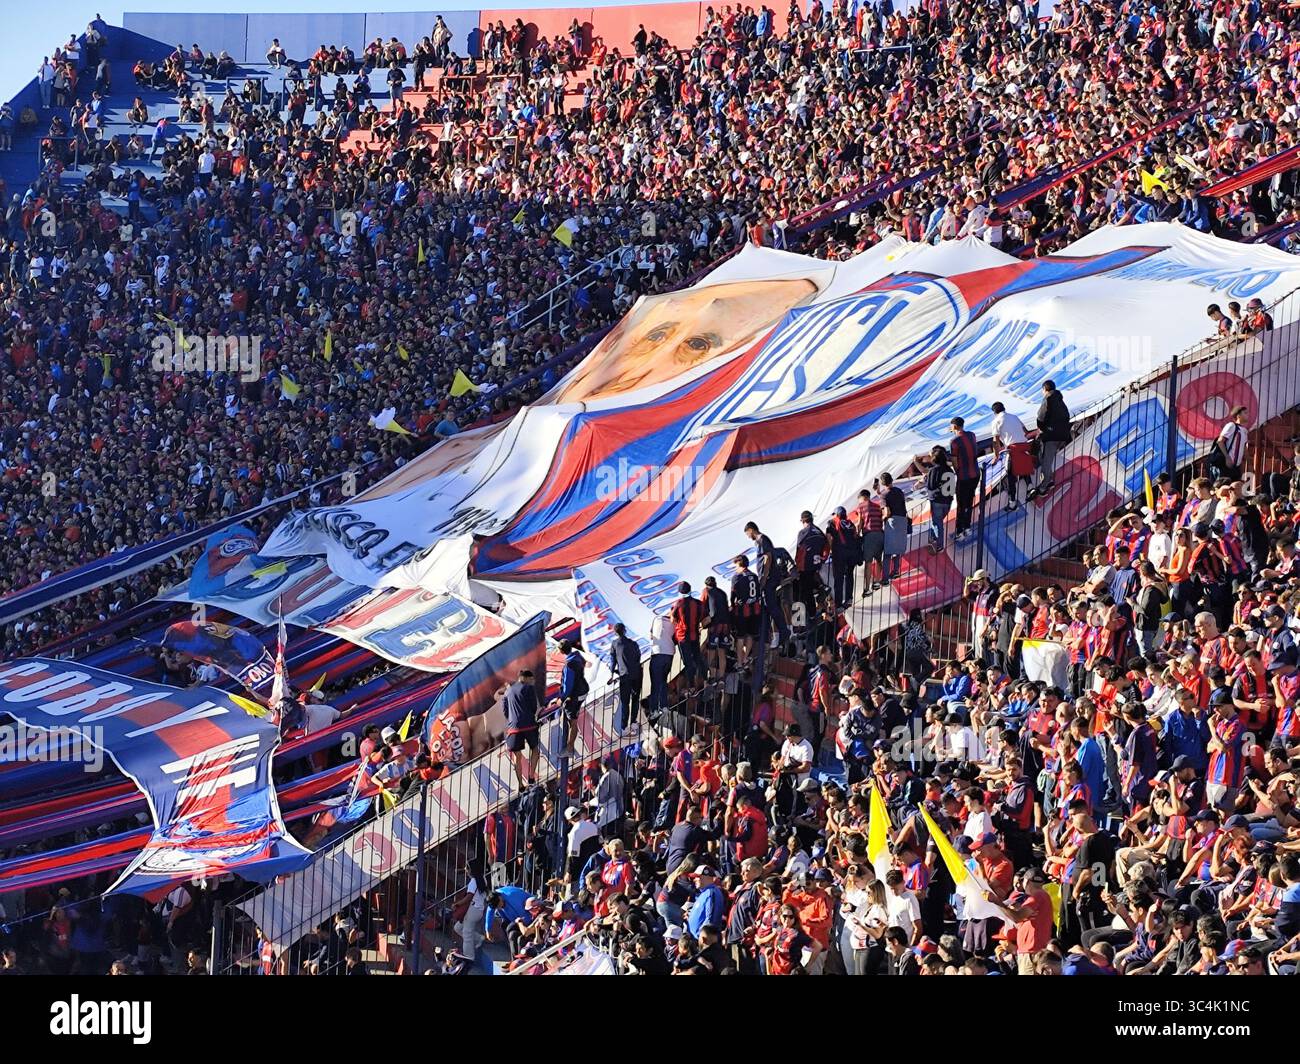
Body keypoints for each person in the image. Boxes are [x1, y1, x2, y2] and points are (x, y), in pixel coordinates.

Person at [1030, 379, 1070, 498]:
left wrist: (1043, 429)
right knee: (1047, 459)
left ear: (1044, 389)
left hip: (1051, 436)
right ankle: (1049, 480)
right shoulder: (1060, 400)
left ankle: (1044, 486)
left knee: (1045, 460)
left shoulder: (1048, 399)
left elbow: (1041, 417)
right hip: (1062, 435)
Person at [503, 669, 541, 791]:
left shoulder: (508, 691)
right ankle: (531, 776)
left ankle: (520, 784)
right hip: (529, 724)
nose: (532, 681)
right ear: (525, 678)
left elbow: (505, 710)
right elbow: (534, 707)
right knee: (535, 749)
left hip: (513, 728)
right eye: (531, 679)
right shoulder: (528, 688)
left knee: (517, 756)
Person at [608, 622, 643, 734]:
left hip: (624, 676)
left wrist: (611, 675)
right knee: (636, 698)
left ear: (615, 632)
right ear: (625, 630)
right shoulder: (633, 643)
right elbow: (638, 657)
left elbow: (613, 661)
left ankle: (624, 726)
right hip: (637, 674)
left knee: (625, 702)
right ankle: (633, 722)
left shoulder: (614, 644)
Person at [949, 416, 981, 540]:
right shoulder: (972, 435)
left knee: (961, 504)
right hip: (975, 474)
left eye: (951, 426)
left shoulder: (954, 441)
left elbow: (954, 459)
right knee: (969, 501)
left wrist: (958, 472)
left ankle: (959, 531)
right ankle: (967, 528)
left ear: (955, 426)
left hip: (964, 476)